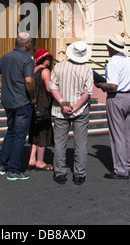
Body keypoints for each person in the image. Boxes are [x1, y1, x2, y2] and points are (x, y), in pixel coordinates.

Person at [0, 32, 35, 181]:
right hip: (22, 102)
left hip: (8, 101)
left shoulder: (6, 57)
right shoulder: (27, 60)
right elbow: (29, 80)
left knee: (11, 131)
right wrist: (33, 97)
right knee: (19, 135)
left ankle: (3, 165)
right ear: (26, 43)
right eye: (30, 42)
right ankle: (14, 170)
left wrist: (3, 87)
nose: (31, 44)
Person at [49, 41, 93, 185]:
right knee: (81, 142)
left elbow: (52, 87)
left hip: (61, 108)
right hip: (80, 109)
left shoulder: (59, 67)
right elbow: (88, 92)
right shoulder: (87, 70)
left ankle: (60, 173)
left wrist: (64, 103)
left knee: (60, 142)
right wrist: (75, 107)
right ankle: (79, 174)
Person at [95, 34, 130, 180]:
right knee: (129, 134)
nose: (107, 47)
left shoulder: (113, 62)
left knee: (117, 135)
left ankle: (120, 169)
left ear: (112, 47)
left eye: (108, 46)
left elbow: (113, 85)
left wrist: (100, 84)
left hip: (116, 97)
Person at [28, 49, 54, 171]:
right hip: (43, 103)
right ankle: (40, 161)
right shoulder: (45, 71)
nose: (49, 60)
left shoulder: (33, 70)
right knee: (43, 132)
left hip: (34, 104)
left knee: (35, 131)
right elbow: (49, 89)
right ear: (42, 59)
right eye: (47, 58)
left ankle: (32, 159)